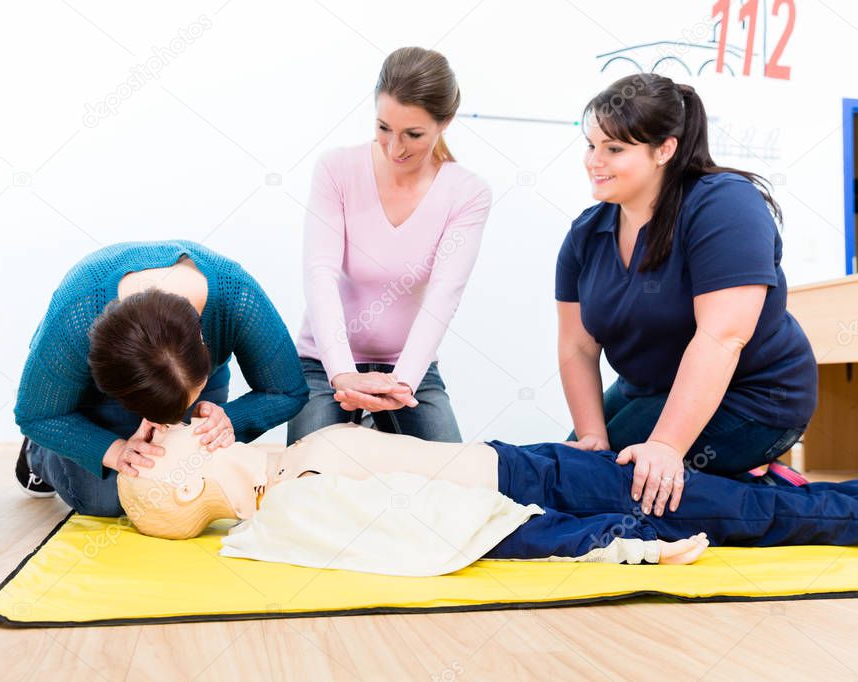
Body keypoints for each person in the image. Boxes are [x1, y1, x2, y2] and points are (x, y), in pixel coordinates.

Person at [556, 73, 817, 517]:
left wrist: (665, 445)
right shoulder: (587, 232)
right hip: (648, 388)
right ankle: (734, 474)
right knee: (577, 466)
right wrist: (591, 435)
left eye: (614, 149)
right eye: (590, 144)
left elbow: (722, 337)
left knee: (607, 488)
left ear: (665, 150)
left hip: (755, 397)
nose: (594, 161)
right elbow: (577, 346)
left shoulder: (725, 206)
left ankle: (785, 494)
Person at [116, 421, 858, 566]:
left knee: (734, 495)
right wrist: (613, 541)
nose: (177, 423)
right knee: (756, 514)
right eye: (162, 445)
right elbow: (463, 529)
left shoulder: (288, 469)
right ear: (186, 480)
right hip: (546, 486)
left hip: (533, 461)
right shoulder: (299, 501)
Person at [13, 240, 308, 516]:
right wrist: (115, 451)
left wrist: (230, 419)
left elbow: (288, 390)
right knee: (106, 501)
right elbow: (35, 415)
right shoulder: (77, 311)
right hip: (95, 398)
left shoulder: (237, 295)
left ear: (203, 341)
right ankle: (38, 454)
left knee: (178, 486)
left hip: (181, 379)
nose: (168, 425)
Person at [289, 46, 493, 444]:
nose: (395, 147)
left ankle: (372, 427)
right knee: (308, 472)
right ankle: (364, 427)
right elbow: (319, 274)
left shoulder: (467, 192)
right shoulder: (336, 169)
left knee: (452, 482)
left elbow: (443, 295)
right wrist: (342, 374)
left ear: (445, 122)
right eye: (383, 128)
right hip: (323, 363)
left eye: (413, 135)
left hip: (407, 367)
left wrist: (402, 383)